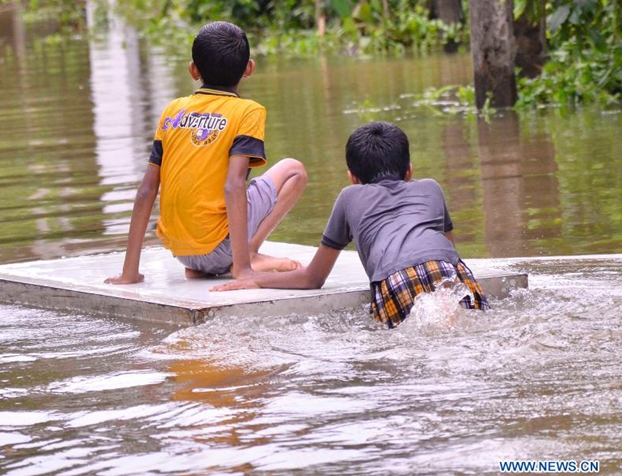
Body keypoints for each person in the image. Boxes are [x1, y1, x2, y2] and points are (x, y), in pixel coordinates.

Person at [212, 121, 490, 328]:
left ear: (352, 177)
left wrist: (253, 278)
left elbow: (312, 279)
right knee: (460, 328)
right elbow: (452, 254)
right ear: (410, 171)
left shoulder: (349, 197)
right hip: (450, 271)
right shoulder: (431, 188)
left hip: (396, 278)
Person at [105, 21, 308, 285]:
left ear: (193, 70)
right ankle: (245, 257)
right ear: (249, 68)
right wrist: (244, 271)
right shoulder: (248, 111)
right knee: (294, 170)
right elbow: (233, 185)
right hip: (220, 248)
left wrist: (129, 273)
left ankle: (209, 266)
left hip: (181, 252)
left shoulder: (173, 110)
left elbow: (146, 190)